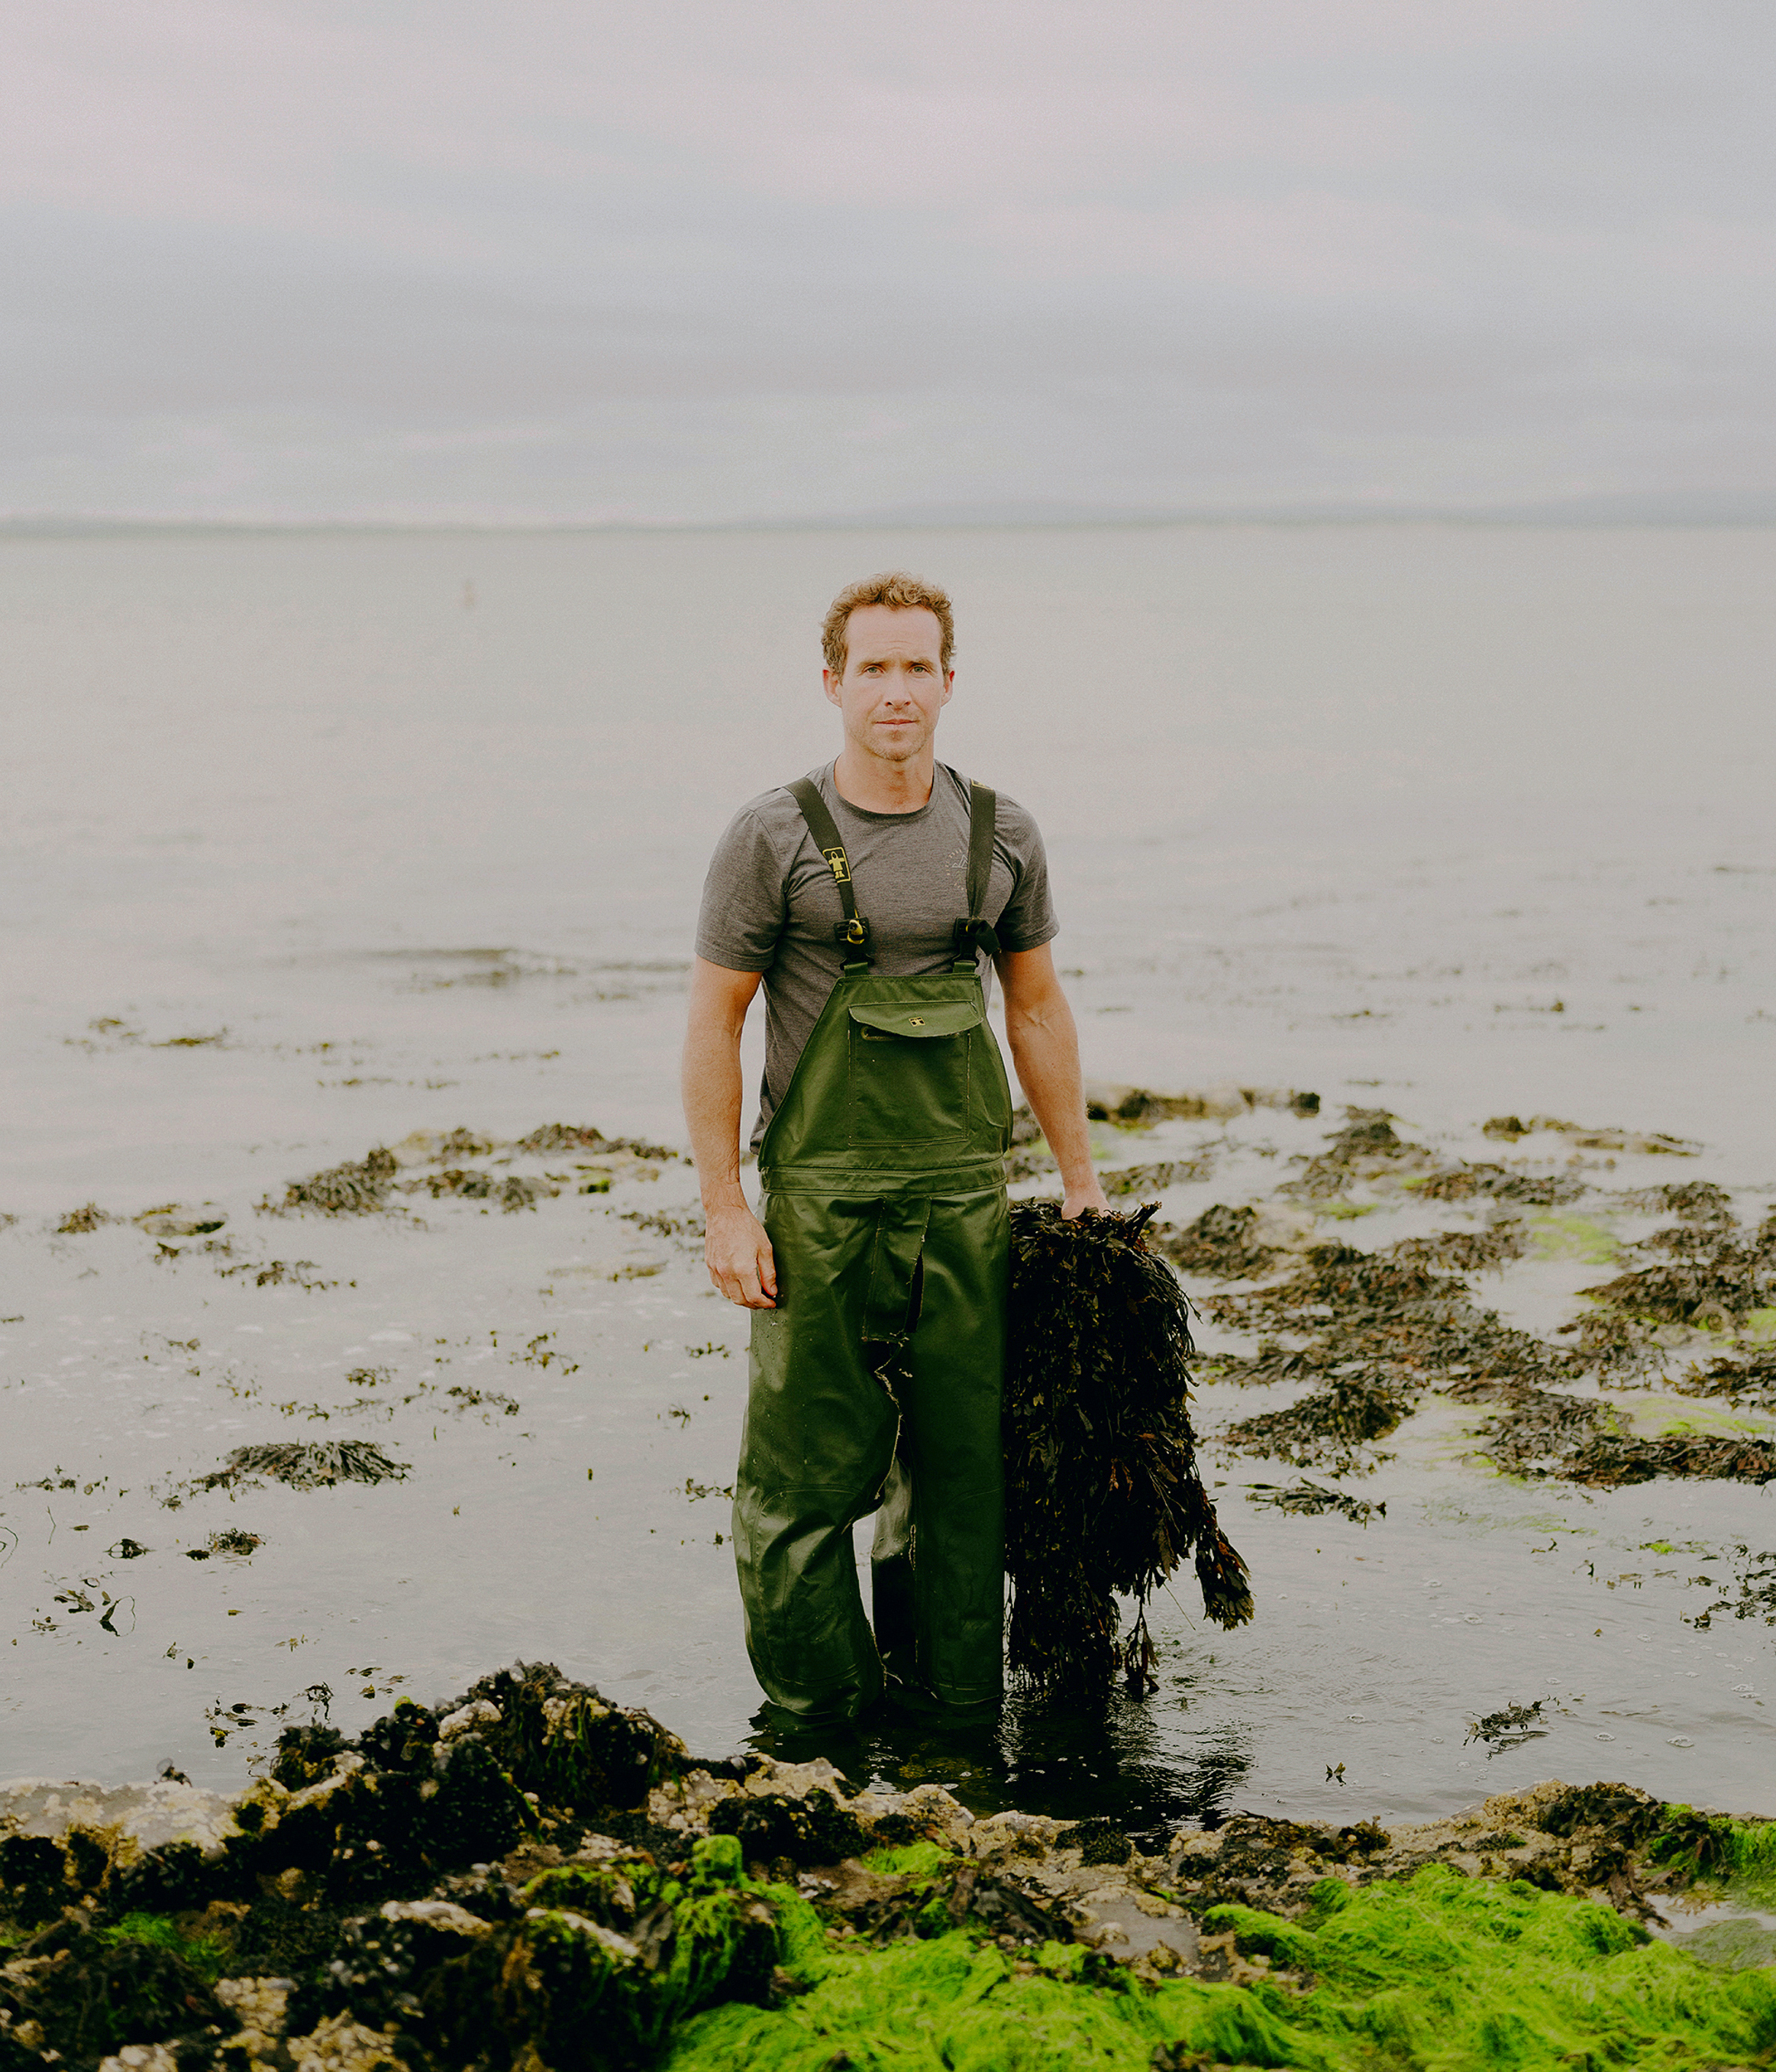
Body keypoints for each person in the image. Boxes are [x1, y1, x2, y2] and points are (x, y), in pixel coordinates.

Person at [682, 571, 1109, 1727]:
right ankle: (818, 1738)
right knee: (804, 1485)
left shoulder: (999, 831)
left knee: (959, 1488)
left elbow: (1032, 1008)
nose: (895, 690)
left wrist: (1077, 1181)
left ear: (948, 683)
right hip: (817, 1203)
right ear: (832, 684)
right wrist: (726, 1208)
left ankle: (949, 1734)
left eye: (917, 666)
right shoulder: (770, 836)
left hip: (964, 1198)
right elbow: (715, 1024)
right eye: (872, 666)